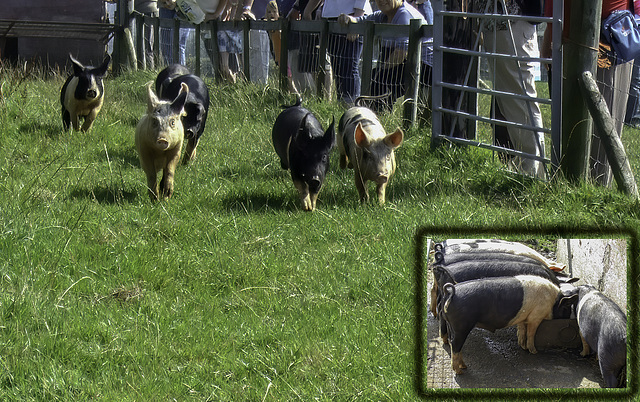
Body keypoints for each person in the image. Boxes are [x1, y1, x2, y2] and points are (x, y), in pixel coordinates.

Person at [542, 0, 633, 186]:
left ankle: (596, 189)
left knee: (604, 122)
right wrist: (549, 35)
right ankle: (568, 182)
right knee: (568, 120)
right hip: (565, 39)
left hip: (608, 38)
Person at [473, 0, 546, 179]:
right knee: (508, 100)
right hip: (497, 24)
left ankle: (532, 171)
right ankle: (526, 167)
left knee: (521, 99)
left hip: (512, 22)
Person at [338, 0, 433, 111]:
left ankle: (380, 116)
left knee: (379, 81)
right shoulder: (383, 15)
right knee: (377, 79)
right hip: (410, 62)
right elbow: (361, 20)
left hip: (425, 67)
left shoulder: (404, 14)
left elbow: (401, 53)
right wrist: (348, 19)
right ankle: (380, 114)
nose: (382, 1)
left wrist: (380, 73)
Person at [307, 0, 372, 105]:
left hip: (351, 17)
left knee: (349, 68)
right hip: (332, 18)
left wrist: (357, 19)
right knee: (337, 68)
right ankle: (342, 105)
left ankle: (353, 107)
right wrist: (319, 9)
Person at [135, 0, 160, 69]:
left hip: (148, 8)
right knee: (146, 43)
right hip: (141, 9)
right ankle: (145, 67)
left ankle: (150, 68)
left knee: (148, 43)